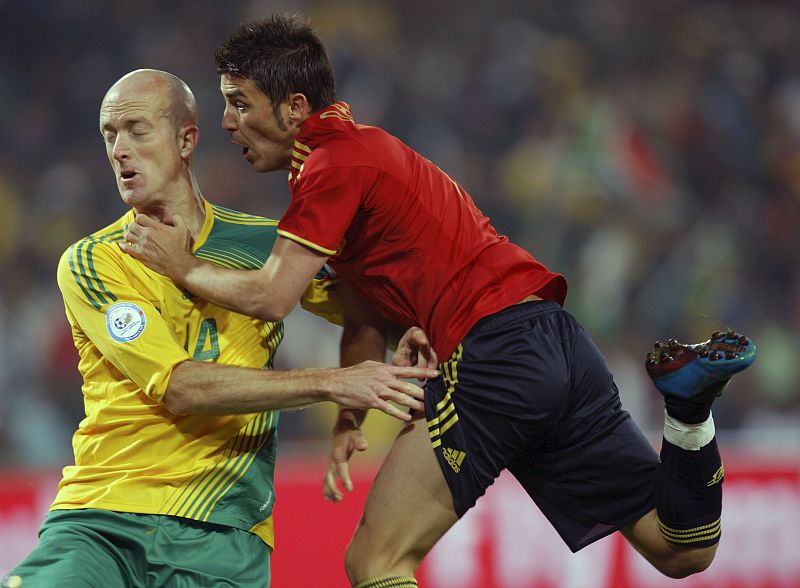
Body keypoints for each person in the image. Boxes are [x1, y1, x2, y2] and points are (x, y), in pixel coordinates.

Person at [119, 16, 757, 588]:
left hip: (493, 356)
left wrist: (181, 264)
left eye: (238, 103)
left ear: (293, 108)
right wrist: (348, 415)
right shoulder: (360, 155)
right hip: (552, 337)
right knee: (679, 548)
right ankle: (690, 409)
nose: (226, 121)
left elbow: (273, 295)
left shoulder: (332, 166)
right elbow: (363, 309)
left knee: (375, 562)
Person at [1, 69, 438, 588]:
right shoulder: (94, 261)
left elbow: (366, 309)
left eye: (137, 130)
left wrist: (404, 334)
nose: (119, 150)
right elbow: (181, 387)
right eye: (109, 134)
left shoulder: (268, 246)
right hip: (104, 521)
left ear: (186, 140)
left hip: (226, 533)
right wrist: (333, 382)